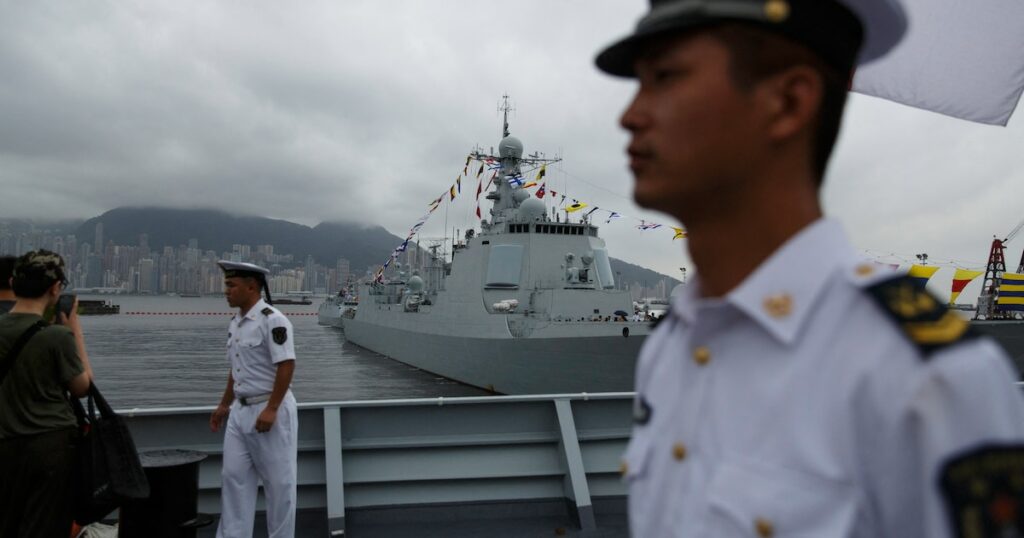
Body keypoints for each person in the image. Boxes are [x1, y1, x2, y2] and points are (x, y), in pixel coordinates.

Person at [596, 1, 1024, 536]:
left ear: (787, 102)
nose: (629, 115)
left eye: (664, 77)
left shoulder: (925, 377)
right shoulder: (671, 347)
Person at [0, 250, 93, 537]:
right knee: (44, 526)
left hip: (4, 444)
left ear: (14, 282)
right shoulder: (57, 336)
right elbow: (82, 387)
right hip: (50, 447)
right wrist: (74, 329)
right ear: (55, 289)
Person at [209, 260, 297, 538]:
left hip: (270, 410)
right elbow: (236, 370)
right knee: (233, 481)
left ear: (251, 287)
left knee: (279, 487)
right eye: (226, 285)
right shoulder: (236, 324)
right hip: (240, 411)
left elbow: (286, 365)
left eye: (231, 285)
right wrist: (224, 404)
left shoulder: (273, 320)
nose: (226, 291)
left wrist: (271, 409)